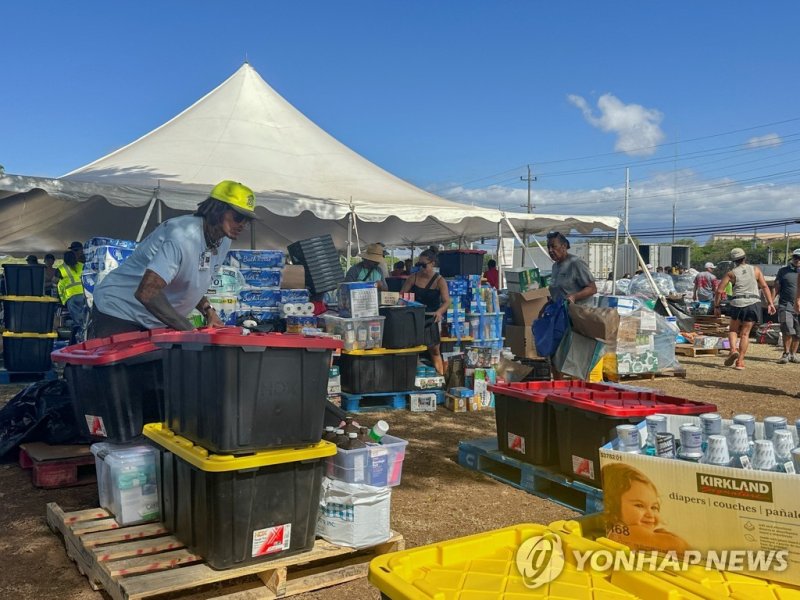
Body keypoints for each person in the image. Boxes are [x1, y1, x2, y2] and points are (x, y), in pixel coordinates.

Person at [90, 180, 257, 338]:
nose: (243, 224)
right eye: (238, 217)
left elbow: (190, 282)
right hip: (119, 311)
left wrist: (209, 310)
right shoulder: (183, 236)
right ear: (217, 210)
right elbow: (147, 293)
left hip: (154, 320)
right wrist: (190, 331)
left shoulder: (223, 240)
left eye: (247, 220)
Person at [602, 462, 689, 555]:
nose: (650, 514)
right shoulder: (624, 531)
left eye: (654, 507)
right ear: (613, 505)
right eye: (639, 505)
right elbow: (680, 546)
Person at [713, 247, 775, 370]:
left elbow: (719, 290)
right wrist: (770, 303)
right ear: (745, 257)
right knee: (745, 334)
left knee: (733, 330)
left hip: (738, 302)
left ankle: (733, 350)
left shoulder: (731, 273)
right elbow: (764, 286)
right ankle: (740, 362)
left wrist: (716, 306)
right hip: (753, 303)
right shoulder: (756, 270)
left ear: (733, 260)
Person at [400, 249, 451, 374]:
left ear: (432, 263)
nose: (422, 268)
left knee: (434, 350)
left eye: (424, 265)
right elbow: (401, 296)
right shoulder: (413, 278)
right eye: (419, 265)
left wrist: (439, 312)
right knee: (414, 348)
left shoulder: (439, 280)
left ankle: (441, 376)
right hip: (414, 318)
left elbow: (447, 301)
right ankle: (415, 376)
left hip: (431, 317)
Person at [545, 231, 597, 305]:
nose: (550, 250)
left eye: (553, 246)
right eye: (548, 247)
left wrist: (574, 296)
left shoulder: (576, 263)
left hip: (577, 313)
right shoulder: (555, 266)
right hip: (562, 313)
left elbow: (592, 289)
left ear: (564, 246)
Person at [57, 250, 86, 343]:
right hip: (84, 295)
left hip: (71, 297)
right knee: (85, 319)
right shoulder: (82, 266)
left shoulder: (61, 269)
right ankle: (86, 337)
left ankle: (78, 340)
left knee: (77, 322)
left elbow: (54, 281)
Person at [778, 250, 800, 363]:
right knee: (787, 329)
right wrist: (771, 301)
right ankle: (786, 353)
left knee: (798, 332)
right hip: (786, 305)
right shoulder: (783, 271)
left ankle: (793, 354)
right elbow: (776, 286)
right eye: (796, 257)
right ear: (792, 258)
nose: (798, 260)